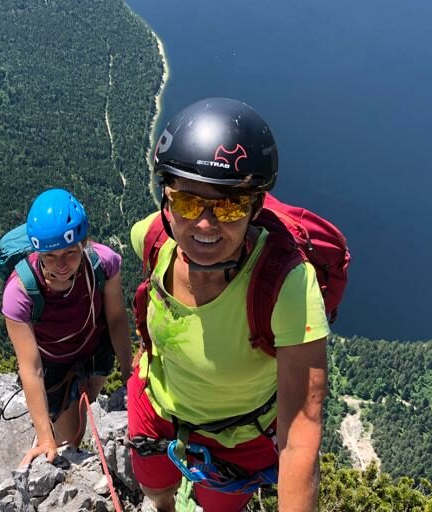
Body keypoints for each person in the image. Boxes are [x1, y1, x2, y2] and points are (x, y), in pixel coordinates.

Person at [128, 98, 330, 511]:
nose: (204, 223)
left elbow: (301, 429)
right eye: (186, 202)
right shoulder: (151, 239)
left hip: (237, 439)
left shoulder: (286, 286)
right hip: (156, 408)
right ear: (166, 201)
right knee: (154, 492)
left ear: (255, 208)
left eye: (230, 205)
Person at [2, 188, 132, 466]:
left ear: (84, 243)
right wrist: (45, 437)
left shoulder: (104, 263)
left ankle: (76, 406)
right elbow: (30, 367)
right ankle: (53, 430)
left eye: (71, 253)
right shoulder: (19, 292)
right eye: (50, 256)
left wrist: (128, 374)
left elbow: (117, 319)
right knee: (71, 436)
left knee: (88, 403)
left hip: (94, 348)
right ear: (38, 251)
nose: (61, 265)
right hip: (53, 366)